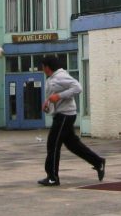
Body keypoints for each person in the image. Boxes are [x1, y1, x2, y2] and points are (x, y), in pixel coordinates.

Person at [38, 55, 105, 186]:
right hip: (61, 114)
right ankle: (98, 162)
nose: (42, 69)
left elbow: (77, 87)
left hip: (65, 115)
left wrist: (59, 96)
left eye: (42, 66)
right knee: (73, 145)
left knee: (53, 144)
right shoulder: (51, 78)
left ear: (47, 67)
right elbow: (53, 96)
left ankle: (52, 177)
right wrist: (48, 103)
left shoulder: (61, 76)